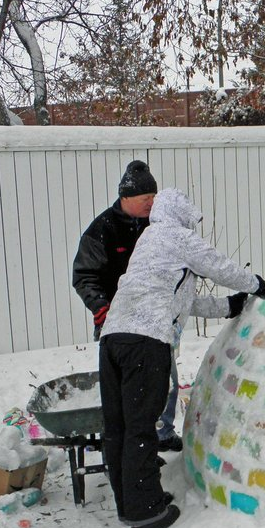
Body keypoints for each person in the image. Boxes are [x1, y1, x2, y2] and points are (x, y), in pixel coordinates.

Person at [98, 187, 265, 528]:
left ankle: (130, 502)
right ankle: (146, 513)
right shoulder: (174, 236)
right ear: (180, 216)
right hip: (144, 343)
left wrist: (230, 306)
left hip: (113, 340)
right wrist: (256, 284)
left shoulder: (148, 245)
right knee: (141, 427)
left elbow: (184, 301)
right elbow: (220, 267)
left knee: (119, 427)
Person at [71, 160, 183, 452]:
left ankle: (163, 432)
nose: (151, 203)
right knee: (125, 389)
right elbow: (84, 275)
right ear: (125, 198)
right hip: (117, 323)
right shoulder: (102, 230)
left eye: (153, 198)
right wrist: (101, 308)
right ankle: (129, 445)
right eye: (145, 198)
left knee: (166, 379)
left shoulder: (157, 227)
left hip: (156, 320)